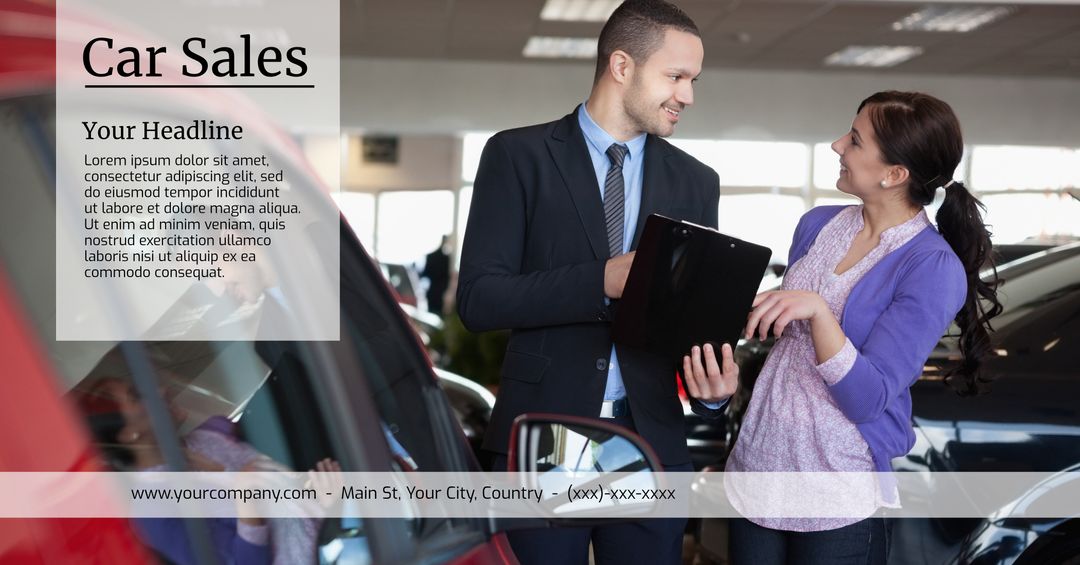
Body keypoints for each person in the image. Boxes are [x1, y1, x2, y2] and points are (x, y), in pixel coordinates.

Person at [456, 1, 737, 563]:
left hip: (651, 438)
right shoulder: (517, 155)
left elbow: (690, 325)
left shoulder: (696, 181)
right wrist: (602, 279)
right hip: (547, 440)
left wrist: (714, 395)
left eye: (693, 80)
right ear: (622, 66)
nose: (688, 95)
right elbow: (480, 299)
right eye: (676, 77)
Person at [684, 91, 1002, 564]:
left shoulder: (931, 266)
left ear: (894, 175)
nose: (837, 145)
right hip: (759, 470)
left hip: (836, 492)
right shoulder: (816, 225)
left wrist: (818, 311)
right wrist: (718, 386)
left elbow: (868, 397)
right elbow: (780, 346)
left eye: (854, 140)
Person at [76, 377, 340, 565]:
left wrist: (319, 499)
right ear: (128, 434)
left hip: (334, 531)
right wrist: (247, 504)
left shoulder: (211, 436)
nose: (162, 390)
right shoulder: (155, 512)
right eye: (138, 396)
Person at [421, 235, 451, 315]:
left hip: (432, 291)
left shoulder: (431, 256)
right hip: (438, 292)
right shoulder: (445, 258)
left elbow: (425, 273)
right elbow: (446, 277)